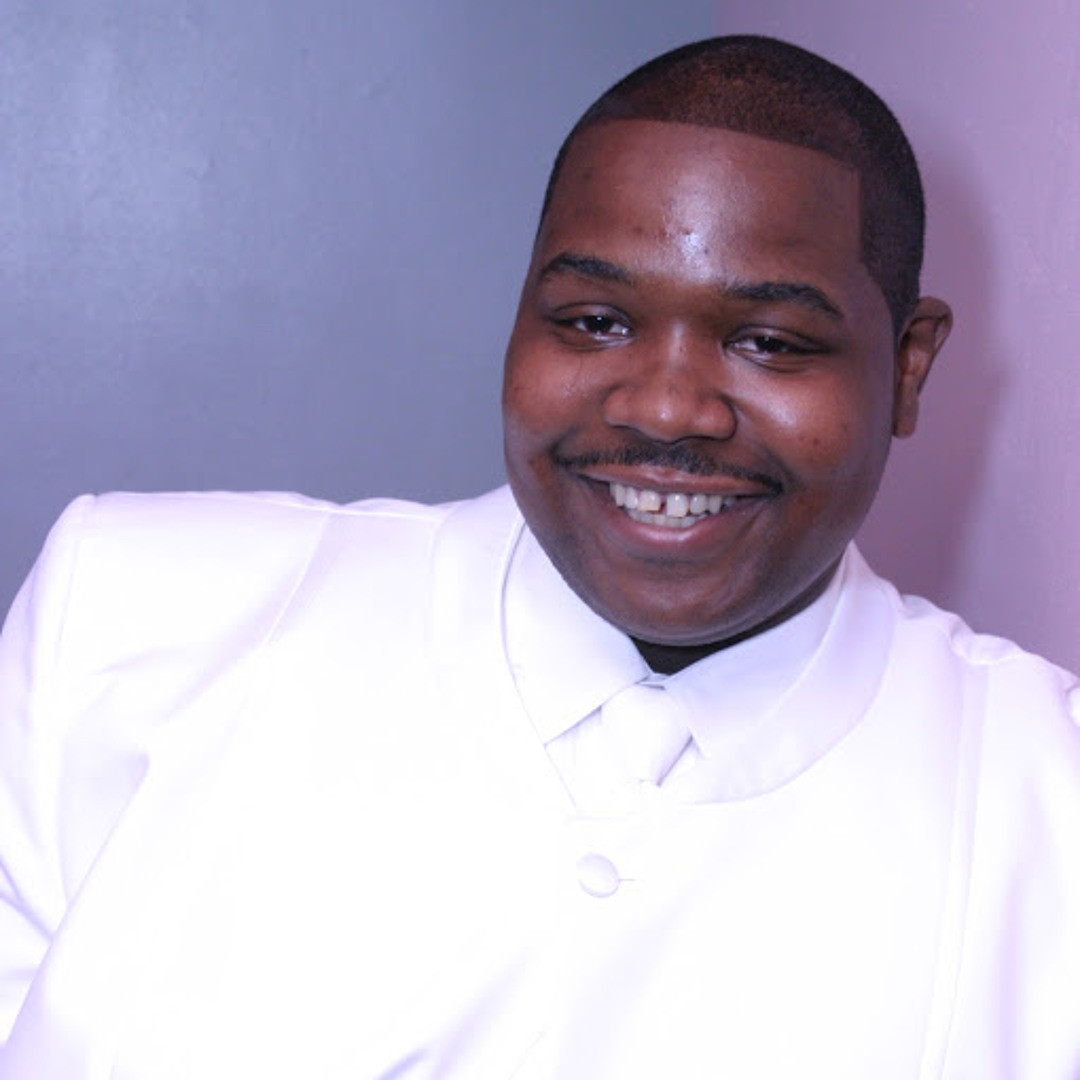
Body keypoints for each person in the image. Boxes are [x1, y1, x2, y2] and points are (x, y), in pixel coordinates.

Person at [0, 34, 1077, 1080]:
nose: (665, 407)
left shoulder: (1047, 799)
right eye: (595, 320)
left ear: (907, 367)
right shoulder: (132, 619)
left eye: (770, 342)